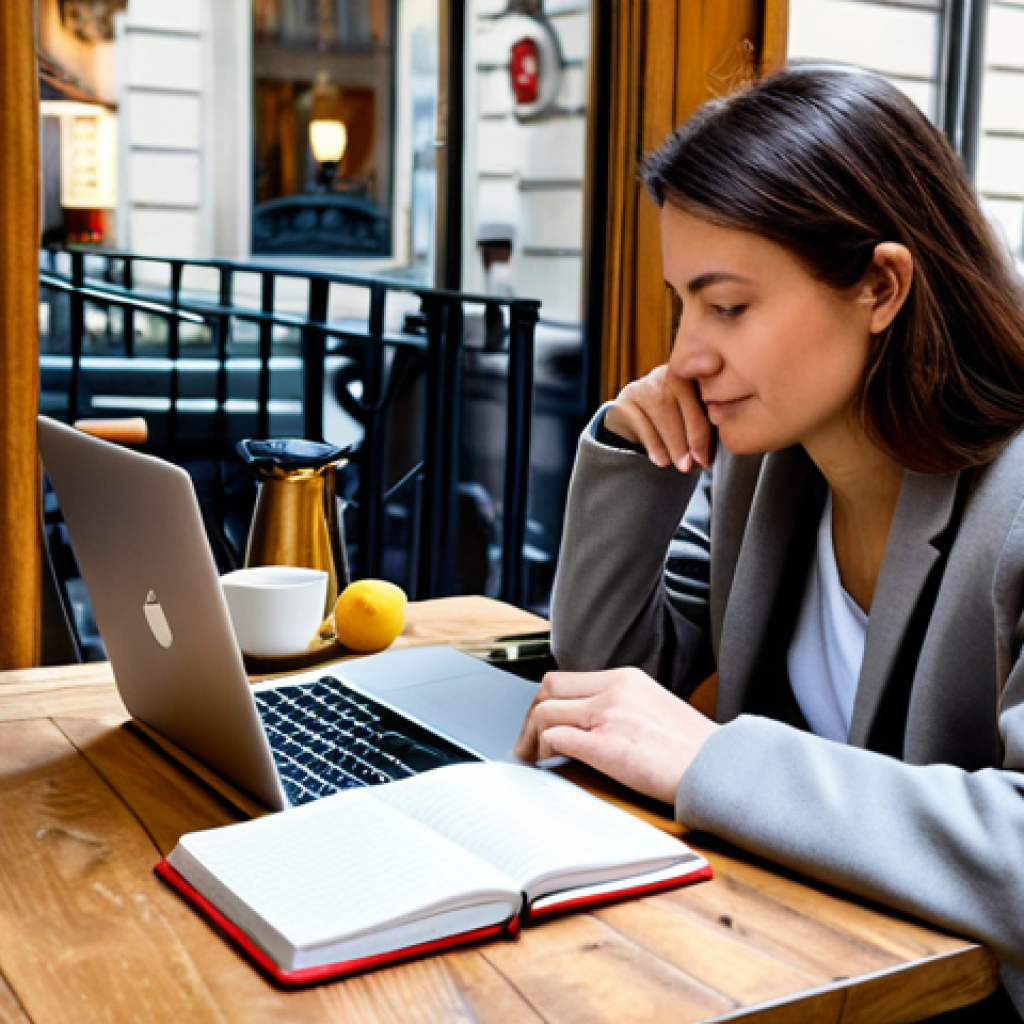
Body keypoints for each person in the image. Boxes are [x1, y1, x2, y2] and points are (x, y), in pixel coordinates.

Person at [514, 65, 1024, 1019]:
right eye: (682, 303)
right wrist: (631, 459)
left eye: (728, 307)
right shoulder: (771, 453)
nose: (685, 356)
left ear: (880, 285)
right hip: (781, 960)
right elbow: (616, 677)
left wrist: (716, 763)